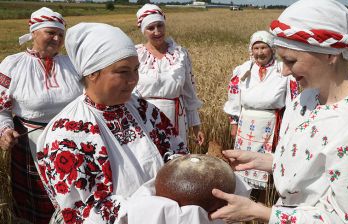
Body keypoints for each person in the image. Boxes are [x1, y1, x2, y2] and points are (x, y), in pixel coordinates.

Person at [211, 0, 348, 223]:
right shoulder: (306, 99)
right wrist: (263, 161)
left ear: (330, 54)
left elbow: (341, 219)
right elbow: (310, 167)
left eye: (291, 60)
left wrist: (258, 212)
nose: (283, 71)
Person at [36, 22, 189, 224]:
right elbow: (85, 211)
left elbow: (175, 153)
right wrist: (156, 208)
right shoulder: (67, 134)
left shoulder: (144, 110)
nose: (134, 79)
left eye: (136, 69)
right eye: (123, 71)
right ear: (92, 73)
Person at [0, 7, 83, 224]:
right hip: (31, 147)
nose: (56, 39)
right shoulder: (13, 65)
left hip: (71, 144)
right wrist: (5, 130)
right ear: (34, 32)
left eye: (61, 34)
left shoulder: (72, 65)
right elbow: (1, 109)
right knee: (37, 209)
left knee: (72, 202)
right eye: (50, 33)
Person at [223, 31, 298, 195]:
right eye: (256, 48)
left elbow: (293, 100)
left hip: (271, 124)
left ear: (272, 49)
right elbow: (234, 95)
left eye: (263, 47)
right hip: (246, 124)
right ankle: (244, 197)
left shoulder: (283, 70)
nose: (259, 52)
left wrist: (289, 126)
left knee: (267, 164)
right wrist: (233, 122)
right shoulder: (243, 69)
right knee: (243, 163)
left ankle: (265, 200)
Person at [134, 4, 204, 146]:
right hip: (144, 119)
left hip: (176, 118)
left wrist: (196, 127)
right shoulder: (136, 55)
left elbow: (190, 94)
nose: (157, 31)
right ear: (143, 31)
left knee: (175, 163)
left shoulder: (180, 54)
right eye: (151, 28)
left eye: (160, 25)